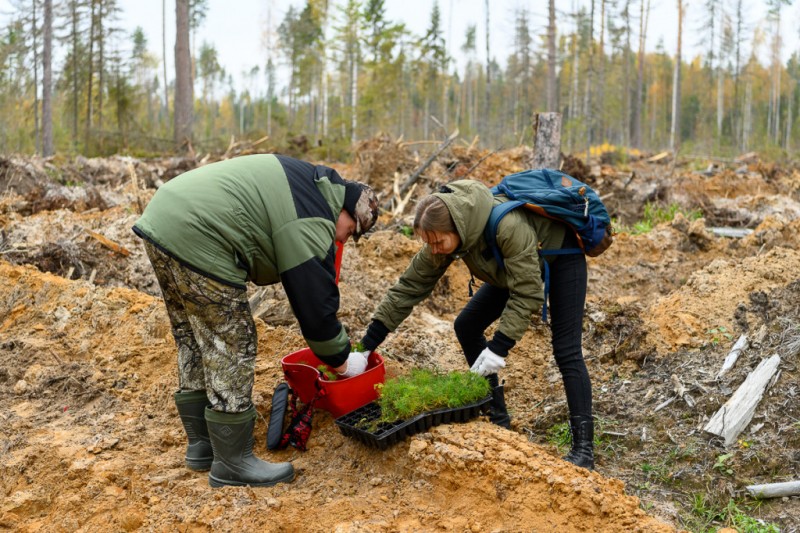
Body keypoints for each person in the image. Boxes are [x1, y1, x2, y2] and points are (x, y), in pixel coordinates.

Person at [132, 154, 379, 487]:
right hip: (200, 231)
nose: (344, 240)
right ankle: (233, 463)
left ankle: (204, 446)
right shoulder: (312, 215)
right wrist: (342, 360)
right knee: (233, 339)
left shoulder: (312, 186)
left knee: (193, 334)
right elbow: (313, 308)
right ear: (348, 212)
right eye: (351, 231)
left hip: (163, 218)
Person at [358, 179, 595, 469]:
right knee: (467, 325)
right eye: (427, 243)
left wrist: (499, 348)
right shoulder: (445, 237)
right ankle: (498, 420)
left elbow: (528, 292)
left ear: (457, 228)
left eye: (437, 242)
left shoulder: (506, 227)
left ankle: (584, 450)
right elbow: (410, 287)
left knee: (566, 350)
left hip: (560, 258)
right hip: (511, 268)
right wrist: (366, 348)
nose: (433, 250)